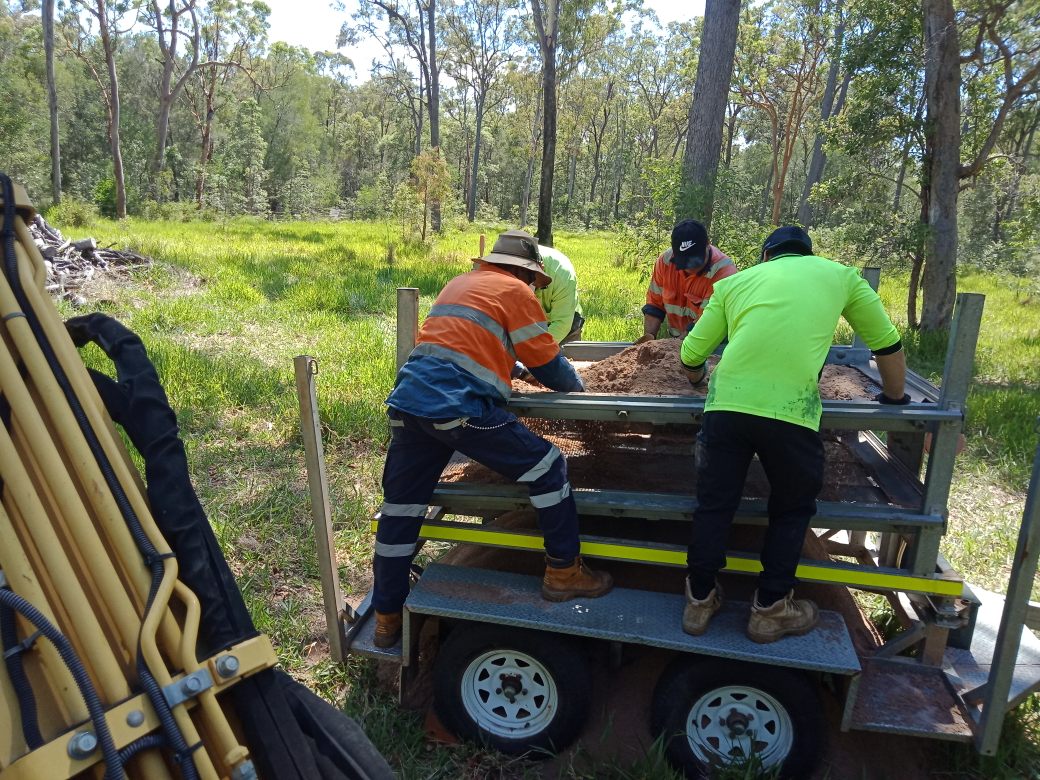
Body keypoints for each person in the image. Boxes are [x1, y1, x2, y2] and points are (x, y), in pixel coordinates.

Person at [372, 229, 613, 648]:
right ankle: (563, 572)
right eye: (535, 282)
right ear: (525, 272)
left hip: (410, 403)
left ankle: (387, 616)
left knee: (401, 510)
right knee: (549, 466)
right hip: (457, 406)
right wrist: (585, 393)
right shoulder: (515, 291)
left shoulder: (459, 284)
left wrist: (512, 369)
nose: (534, 289)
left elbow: (465, 345)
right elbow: (550, 365)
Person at [677, 226, 908, 643]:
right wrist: (894, 400)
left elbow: (691, 353)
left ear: (767, 256)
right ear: (807, 254)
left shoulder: (736, 282)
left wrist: (697, 379)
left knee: (714, 506)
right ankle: (770, 609)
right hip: (792, 415)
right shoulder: (841, 276)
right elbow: (886, 345)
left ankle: (698, 601)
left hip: (726, 409)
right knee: (791, 510)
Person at [636, 219, 737, 343]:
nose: (690, 268)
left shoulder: (723, 272)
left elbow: (705, 322)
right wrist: (648, 339)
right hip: (679, 338)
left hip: (712, 342)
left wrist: (674, 349)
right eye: (685, 262)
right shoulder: (665, 262)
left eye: (695, 261)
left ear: (707, 244)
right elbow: (654, 305)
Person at [535, 244, 585, 345]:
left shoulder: (561, 275)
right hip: (530, 322)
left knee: (567, 357)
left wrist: (534, 352)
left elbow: (562, 324)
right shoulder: (503, 272)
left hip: (565, 322)